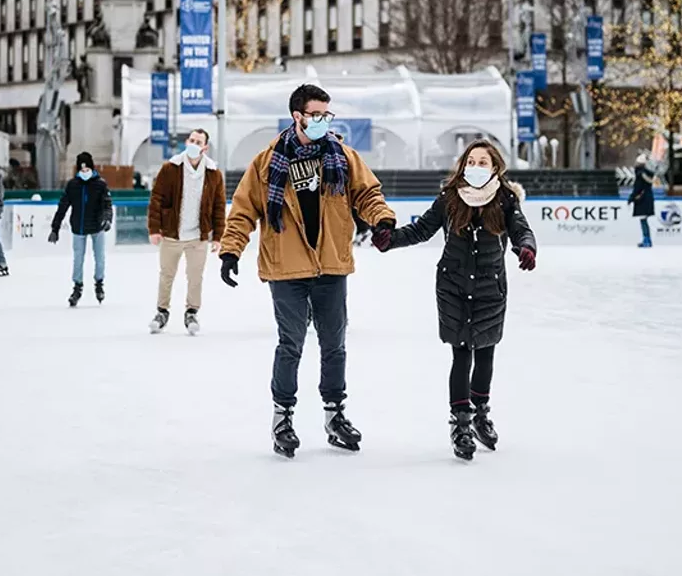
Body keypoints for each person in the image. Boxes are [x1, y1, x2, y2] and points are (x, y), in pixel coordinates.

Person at [218, 83, 395, 458]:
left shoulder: (343, 156)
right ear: (297, 116)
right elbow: (244, 209)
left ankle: (335, 415)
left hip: (330, 264)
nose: (323, 121)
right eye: (316, 115)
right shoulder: (267, 161)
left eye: (326, 115)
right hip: (287, 268)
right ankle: (282, 418)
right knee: (291, 345)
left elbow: (367, 194)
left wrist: (381, 219)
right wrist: (231, 251)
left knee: (334, 346)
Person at [372, 139, 536, 461]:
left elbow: (520, 229)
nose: (476, 167)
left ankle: (480, 415)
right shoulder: (449, 198)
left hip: (490, 288)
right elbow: (422, 229)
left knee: (485, 353)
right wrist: (390, 240)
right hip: (453, 286)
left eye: (482, 162)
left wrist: (526, 247)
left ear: (495, 167)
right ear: (463, 165)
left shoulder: (505, 199)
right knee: (461, 354)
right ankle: (460, 424)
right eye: (471, 162)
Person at [146, 128, 226, 335]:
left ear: (205, 147)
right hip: (172, 234)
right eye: (191, 140)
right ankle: (162, 312)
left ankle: (191, 312)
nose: (194, 144)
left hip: (197, 237)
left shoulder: (214, 174)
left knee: (195, 277)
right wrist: (154, 229)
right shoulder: (170, 168)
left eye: (198, 142)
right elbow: (156, 199)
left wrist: (217, 236)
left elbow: (218, 206)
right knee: (166, 275)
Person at [49, 152, 113, 306]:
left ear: (92, 168)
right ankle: (77, 286)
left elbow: (107, 205)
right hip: (78, 227)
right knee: (78, 258)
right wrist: (55, 228)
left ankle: (99, 284)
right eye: (82, 170)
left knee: (100, 257)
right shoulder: (73, 185)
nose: (85, 173)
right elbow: (62, 207)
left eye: (87, 170)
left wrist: (107, 219)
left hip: (97, 227)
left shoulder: (100, 184)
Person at [628, 152, 655, 247]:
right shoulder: (646, 174)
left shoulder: (640, 174)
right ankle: (646, 239)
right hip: (647, 198)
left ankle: (646, 239)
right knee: (643, 220)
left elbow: (637, 188)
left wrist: (631, 198)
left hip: (642, 199)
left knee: (643, 220)